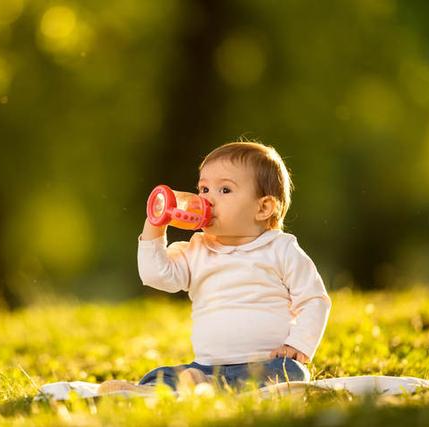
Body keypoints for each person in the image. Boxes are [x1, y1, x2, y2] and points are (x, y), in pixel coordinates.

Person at [98, 140, 332, 394]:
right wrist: (155, 224)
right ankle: (154, 389)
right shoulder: (197, 249)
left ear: (263, 207)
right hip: (207, 367)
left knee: (292, 373)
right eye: (204, 188)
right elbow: (156, 275)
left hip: (265, 363)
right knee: (162, 374)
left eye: (224, 190)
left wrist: (298, 344)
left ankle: (199, 388)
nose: (207, 199)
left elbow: (314, 299)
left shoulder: (281, 249)